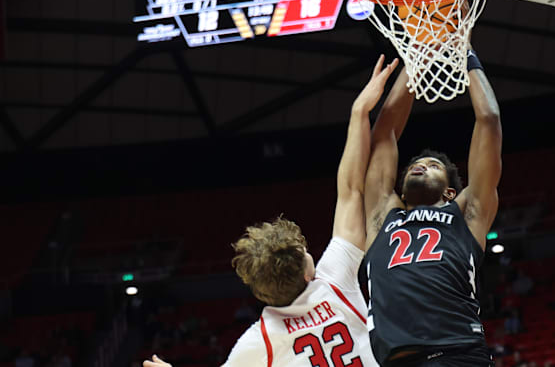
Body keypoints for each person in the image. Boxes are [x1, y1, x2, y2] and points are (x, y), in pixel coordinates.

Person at [142, 55, 399, 367]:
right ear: (308, 273)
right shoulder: (333, 280)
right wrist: (359, 112)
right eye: (305, 251)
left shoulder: (258, 341)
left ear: (262, 295)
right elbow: (350, 190)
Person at [363, 46, 501, 367]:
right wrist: (419, 53)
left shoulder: (465, 215)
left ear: (451, 192)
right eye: (416, 165)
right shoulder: (383, 213)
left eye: (432, 166)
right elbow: (384, 132)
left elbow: (490, 119)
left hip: (460, 355)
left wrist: (463, 48)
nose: (421, 166)